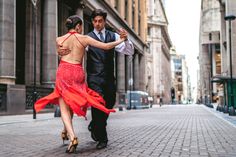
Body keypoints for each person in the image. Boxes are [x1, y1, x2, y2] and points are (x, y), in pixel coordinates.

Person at [34, 15, 126, 154]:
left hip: (64, 71)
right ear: (78, 27)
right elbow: (106, 46)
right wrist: (121, 40)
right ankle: (66, 131)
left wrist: (59, 52)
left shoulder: (59, 39)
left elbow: (60, 52)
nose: (82, 29)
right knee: (70, 102)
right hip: (77, 72)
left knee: (64, 106)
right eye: (81, 26)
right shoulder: (84, 38)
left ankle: (72, 137)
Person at [87, 9, 134, 149]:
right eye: (95, 21)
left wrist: (126, 39)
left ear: (105, 21)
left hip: (108, 78)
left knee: (110, 102)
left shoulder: (112, 36)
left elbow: (129, 51)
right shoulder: (87, 38)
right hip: (94, 78)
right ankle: (102, 138)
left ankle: (95, 124)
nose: (97, 24)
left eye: (100, 21)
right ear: (92, 22)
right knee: (97, 106)